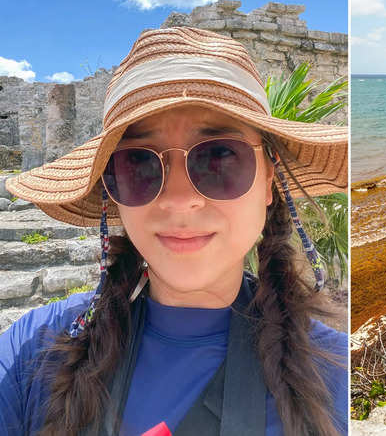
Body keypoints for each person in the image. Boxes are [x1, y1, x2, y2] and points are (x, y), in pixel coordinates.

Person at [0, 27, 348, 435]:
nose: (180, 200)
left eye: (220, 156)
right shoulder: (32, 351)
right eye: (138, 164)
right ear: (111, 189)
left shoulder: (338, 375)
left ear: (269, 180)